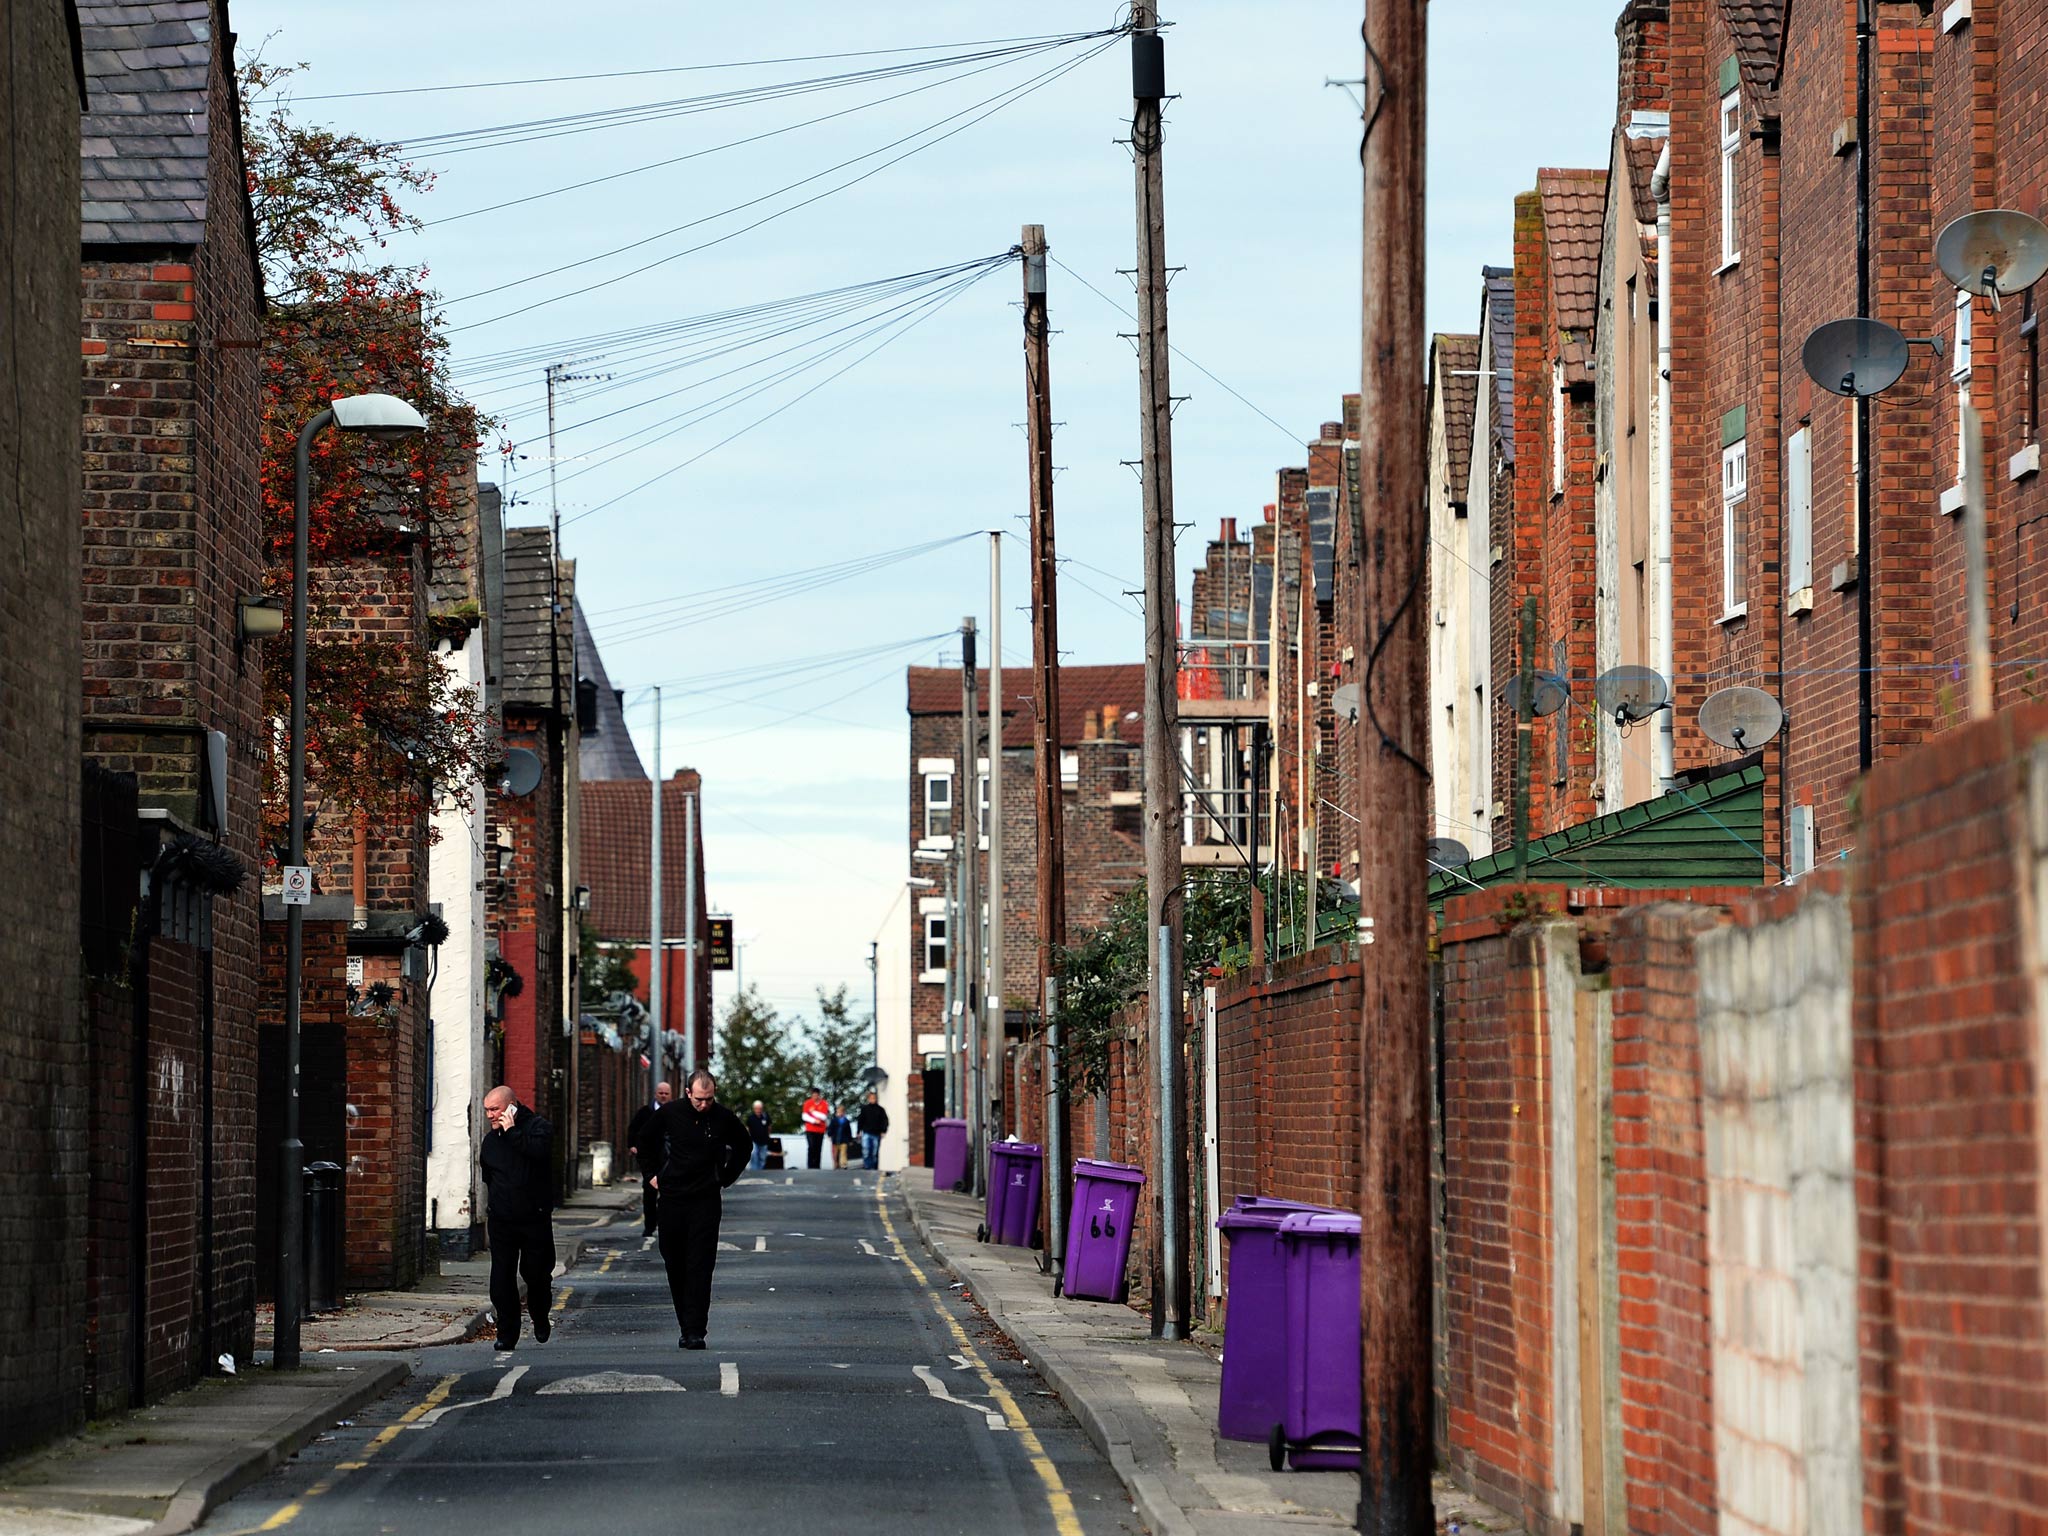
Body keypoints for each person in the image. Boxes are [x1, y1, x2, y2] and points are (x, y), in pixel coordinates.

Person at [649, 1069, 753, 1349]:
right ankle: (685, 1321)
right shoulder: (670, 1113)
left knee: (700, 1264)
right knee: (674, 1260)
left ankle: (695, 1330)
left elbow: (744, 1146)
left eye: (709, 1099)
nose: (704, 1104)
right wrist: (652, 1174)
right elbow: (644, 1140)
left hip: (706, 1200)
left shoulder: (723, 1117)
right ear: (687, 1093)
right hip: (672, 1198)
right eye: (699, 1100)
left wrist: (726, 1177)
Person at [478, 1085, 555, 1350]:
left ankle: (540, 1316)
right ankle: (506, 1333)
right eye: (487, 1110)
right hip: (502, 1220)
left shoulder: (538, 1128)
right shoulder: (491, 1141)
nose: (490, 1115)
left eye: (495, 1109)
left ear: (512, 1106)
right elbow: (488, 1175)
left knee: (536, 1275)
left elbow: (538, 1154)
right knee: (501, 1280)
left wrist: (511, 1132)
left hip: (534, 1218)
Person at [625, 1081, 673, 1236]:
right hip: (650, 1161)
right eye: (661, 1093)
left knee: (669, 1195)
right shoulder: (645, 1112)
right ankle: (649, 1226)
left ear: (670, 1095)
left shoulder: (676, 1112)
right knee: (649, 1195)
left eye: (666, 1093)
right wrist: (632, 1145)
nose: (663, 1096)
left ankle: (666, 1224)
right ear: (655, 1094)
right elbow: (633, 1130)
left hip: (670, 1160)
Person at [856, 1091, 889, 1171]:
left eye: (874, 1098)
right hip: (866, 1132)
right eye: (871, 1098)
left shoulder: (880, 1110)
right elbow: (860, 1120)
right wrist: (858, 1131)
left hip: (876, 1133)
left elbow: (885, 1121)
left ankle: (874, 1168)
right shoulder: (865, 1109)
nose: (872, 1099)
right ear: (868, 1099)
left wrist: (883, 1131)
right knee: (866, 1151)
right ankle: (867, 1167)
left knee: (874, 1152)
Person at [800, 1088, 829, 1169]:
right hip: (810, 1129)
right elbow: (804, 1116)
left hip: (820, 1130)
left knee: (818, 1148)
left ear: (819, 1095)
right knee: (811, 1146)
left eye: (816, 1095)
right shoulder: (807, 1103)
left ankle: (817, 1166)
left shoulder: (824, 1103)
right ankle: (810, 1166)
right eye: (813, 1095)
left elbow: (823, 1116)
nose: (815, 1097)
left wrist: (813, 1112)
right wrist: (813, 1120)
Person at [743, 1100, 772, 1171]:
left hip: (764, 1141)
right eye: (756, 1108)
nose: (758, 1110)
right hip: (754, 1140)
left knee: (762, 1157)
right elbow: (747, 1128)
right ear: (754, 1109)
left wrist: (768, 1135)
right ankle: (754, 1171)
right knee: (754, 1154)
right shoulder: (751, 1118)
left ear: (762, 1108)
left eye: (760, 1108)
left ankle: (760, 1171)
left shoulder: (766, 1117)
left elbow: (769, 1127)